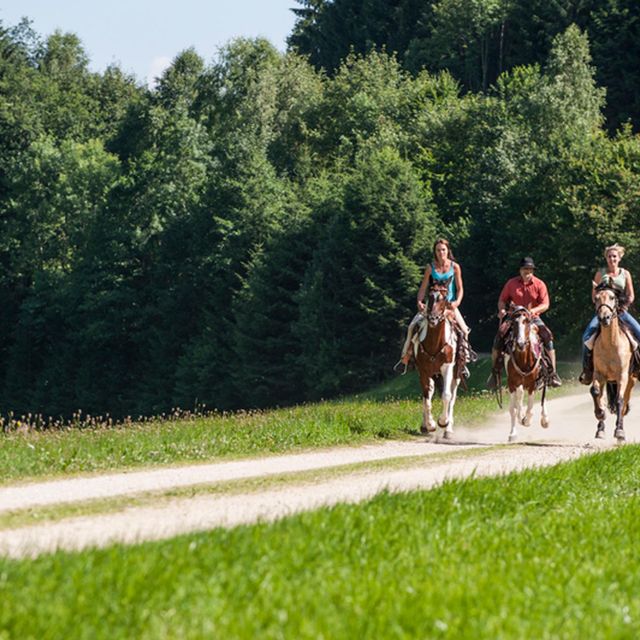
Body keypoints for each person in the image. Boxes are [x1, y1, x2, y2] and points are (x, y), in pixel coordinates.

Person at [395, 238, 471, 373]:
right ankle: (405, 359)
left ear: (448, 251)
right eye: (438, 250)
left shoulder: (455, 267)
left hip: (449, 305)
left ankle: (463, 360)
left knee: (464, 330)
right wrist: (419, 302)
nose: (441, 253)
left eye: (443, 250)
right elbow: (423, 288)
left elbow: (460, 289)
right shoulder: (430, 267)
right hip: (432, 305)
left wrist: (457, 302)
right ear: (435, 252)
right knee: (412, 326)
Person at [486, 256, 562, 389]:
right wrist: (502, 309)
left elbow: (545, 304)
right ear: (520, 270)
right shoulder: (511, 283)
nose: (527, 271)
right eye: (525, 269)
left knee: (547, 337)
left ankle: (552, 373)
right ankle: (495, 372)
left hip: (533, 318)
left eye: (530, 269)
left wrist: (534, 311)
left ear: (533, 271)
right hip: (514, 317)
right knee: (500, 335)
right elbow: (502, 300)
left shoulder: (539, 284)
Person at [579, 243, 640, 384]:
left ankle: (637, 367)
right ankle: (587, 370)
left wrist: (624, 306)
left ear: (619, 258)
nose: (612, 259)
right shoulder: (600, 274)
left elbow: (631, 295)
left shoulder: (625, 274)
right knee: (586, 337)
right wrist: (600, 305)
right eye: (609, 256)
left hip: (621, 311)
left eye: (614, 256)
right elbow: (594, 295)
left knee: (639, 332)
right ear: (606, 258)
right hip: (604, 311)